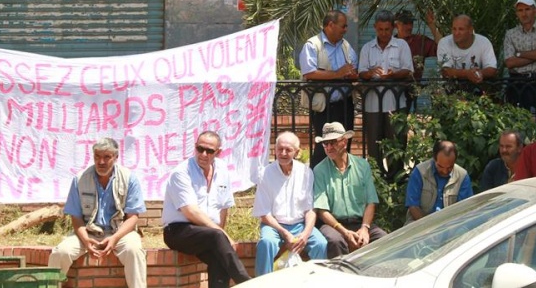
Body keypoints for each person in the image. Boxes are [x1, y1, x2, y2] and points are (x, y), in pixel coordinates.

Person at [48, 138, 147, 288]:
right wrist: (86, 240)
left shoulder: (129, 179)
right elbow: (76, 218)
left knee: (134, 251)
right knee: (60, 252)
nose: (101, 161)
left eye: (106, 157)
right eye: (97, 156)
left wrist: (114, 238)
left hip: (120, 232)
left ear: (116, 157)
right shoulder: (80, 179)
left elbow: (133, 217)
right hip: (88, 233)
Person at [161, 131, 251, 288]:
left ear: (218, 152)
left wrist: (220, 234)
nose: (203, 154)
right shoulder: (181, 172)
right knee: (217, 237)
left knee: (219, 257)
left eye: (209, 151)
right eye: (199, 148)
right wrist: (221, 233)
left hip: (206, 232)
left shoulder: (222, 170)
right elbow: (190, 212)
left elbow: (223, 207)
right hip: (178, 231)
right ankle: (246, 282)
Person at [253, 132, 327, 276]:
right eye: (280, 149)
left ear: (297, 152)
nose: (283, 153)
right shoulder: (265, 174)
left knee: (320, 243)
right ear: (275, 149)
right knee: (266, 243)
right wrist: (284, 232)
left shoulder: (306, 172)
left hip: (299, 225)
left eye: (288, 150)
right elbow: (264, 214)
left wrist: (305, 234)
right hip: (273, 226)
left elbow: (310, 209)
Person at [312, 122, 386, 258]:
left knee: (383, 238)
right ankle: (341, 278)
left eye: (333, 142)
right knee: (336, 241)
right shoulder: (319, 170)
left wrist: (365, 228)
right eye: (325, 144)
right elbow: (321, 210)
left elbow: (371, 201)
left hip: (359, 222)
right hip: (333, 224)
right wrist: (344, 231)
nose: (328, 147)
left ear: (344, 142)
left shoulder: (362, 165)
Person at [299, 10, 359, 167]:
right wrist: (338, 73)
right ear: (330, 25)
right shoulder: (312, 45)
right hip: (323, 107)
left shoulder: (345, 46)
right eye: (343, 26)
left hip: (344, 104)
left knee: (344, 144)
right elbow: (309, 72)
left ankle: (343, 178)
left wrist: (352, 74)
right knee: (324, 146)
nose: (346, 29)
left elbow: (353, 68)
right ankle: (318, 181)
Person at [358, 10, 414, 177]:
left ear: (393, 28)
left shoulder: (401, 46)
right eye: (380, 29)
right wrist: (370, 73)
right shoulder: (367, 48)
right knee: (374, 146)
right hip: (372, 103)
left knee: (397, 143)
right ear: (375, 28)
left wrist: (392, 74)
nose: (384, 33)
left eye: (387, 29)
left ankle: (395, 179)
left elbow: (408, 70)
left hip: (395, 104)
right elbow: (361, 72)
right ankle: (376, 179)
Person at [503, 0, 536, 117]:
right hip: (517, 83)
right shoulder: (510, 34)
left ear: (535, 11)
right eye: (520, 10)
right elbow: (510, 62)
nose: (524, 13)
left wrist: (519, 54)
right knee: (517, 121)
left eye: (527, 9)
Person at [404, 140, 473, 223]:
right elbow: (413, 206)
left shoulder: (462, 176)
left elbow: (464, 209)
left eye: (449, 168)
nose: (444, 171)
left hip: (450, 226)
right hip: (419, 224)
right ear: (434, 159)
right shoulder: (420, 172)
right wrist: (428, 228)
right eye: (440, 166)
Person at [437, 14, 497, 83]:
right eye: (454, 29)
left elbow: (492, 69)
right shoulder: (444, 42)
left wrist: (480, 74)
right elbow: (445, 71)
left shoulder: (484, 42)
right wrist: (467, 74)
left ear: (470, 30)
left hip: (477, 87)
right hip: (449, 89)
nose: (456, 33)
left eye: (461, 29)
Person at [394, 9, 442, 80]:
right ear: (396, 25)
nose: (409, 27)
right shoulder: (389, 43)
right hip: (391, 88)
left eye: (411, 23)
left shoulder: (419, 41)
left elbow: (442, 47)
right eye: (405, 23)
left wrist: (432, 24)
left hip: (414, 88)